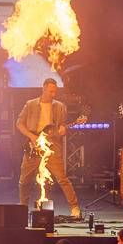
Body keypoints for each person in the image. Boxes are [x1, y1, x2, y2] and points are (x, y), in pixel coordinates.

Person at [16, 78, 81, 218]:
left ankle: (75, 207)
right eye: (51, 91)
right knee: (24, 180)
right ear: (43, 89)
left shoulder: (60, 107)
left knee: (62, 179)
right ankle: (22, 208)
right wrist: (32, 136)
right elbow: (19, 123)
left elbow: (61, 127)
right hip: (33, 147)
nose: (53, 94)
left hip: (52, 147)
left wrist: (63, 130)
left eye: (55, 92)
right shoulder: (30, 104)